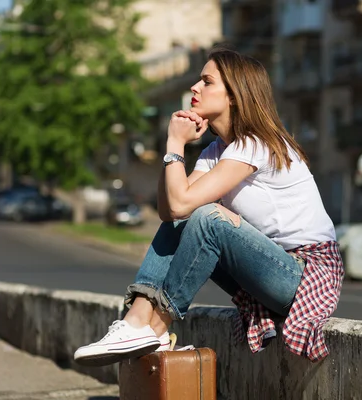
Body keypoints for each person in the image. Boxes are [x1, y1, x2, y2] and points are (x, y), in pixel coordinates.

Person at [74, 48, 344, 367]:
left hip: (303, 274)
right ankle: (137, 321)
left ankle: (156, 326)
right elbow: (170, 211)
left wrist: (176, 144)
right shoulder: (217, 151)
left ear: (234, 95)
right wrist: (174, 146)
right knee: (190, 217)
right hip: (265, 270)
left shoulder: (255, 143)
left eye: (206, 82)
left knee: (207, 217)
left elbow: (183, 203)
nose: (194, 88)